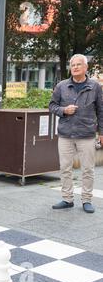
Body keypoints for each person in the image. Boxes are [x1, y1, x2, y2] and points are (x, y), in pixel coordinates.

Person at [49, 54, 103, 213]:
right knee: (65, 168)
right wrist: (63, 110)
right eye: (73, 65)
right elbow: (52, 106)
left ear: (86, 68)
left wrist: (101, 132)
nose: (75, 67)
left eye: (79, 64)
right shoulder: (61, 86)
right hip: (65, 134)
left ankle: (86, 200)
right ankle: (67, 199)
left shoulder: (95, 87)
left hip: (86, 134)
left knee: (88, 169)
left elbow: (101, 111)